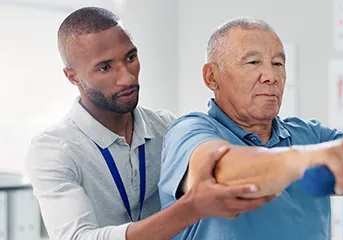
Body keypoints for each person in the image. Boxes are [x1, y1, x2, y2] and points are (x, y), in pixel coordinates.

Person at [159, 18, 343, 240]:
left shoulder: (311, 137)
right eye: (253, 63)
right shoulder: (191, 130)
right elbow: (222, 172)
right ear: (211, 77)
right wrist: (310, 161)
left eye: (278, 63)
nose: (271, 75)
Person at [24, 8, 274, 240]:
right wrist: (191, 209)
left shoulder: (168, 127)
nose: (127, 77)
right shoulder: (53, 149)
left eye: (130, 57)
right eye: (105, 67)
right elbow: (78, 237)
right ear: (72, 77)